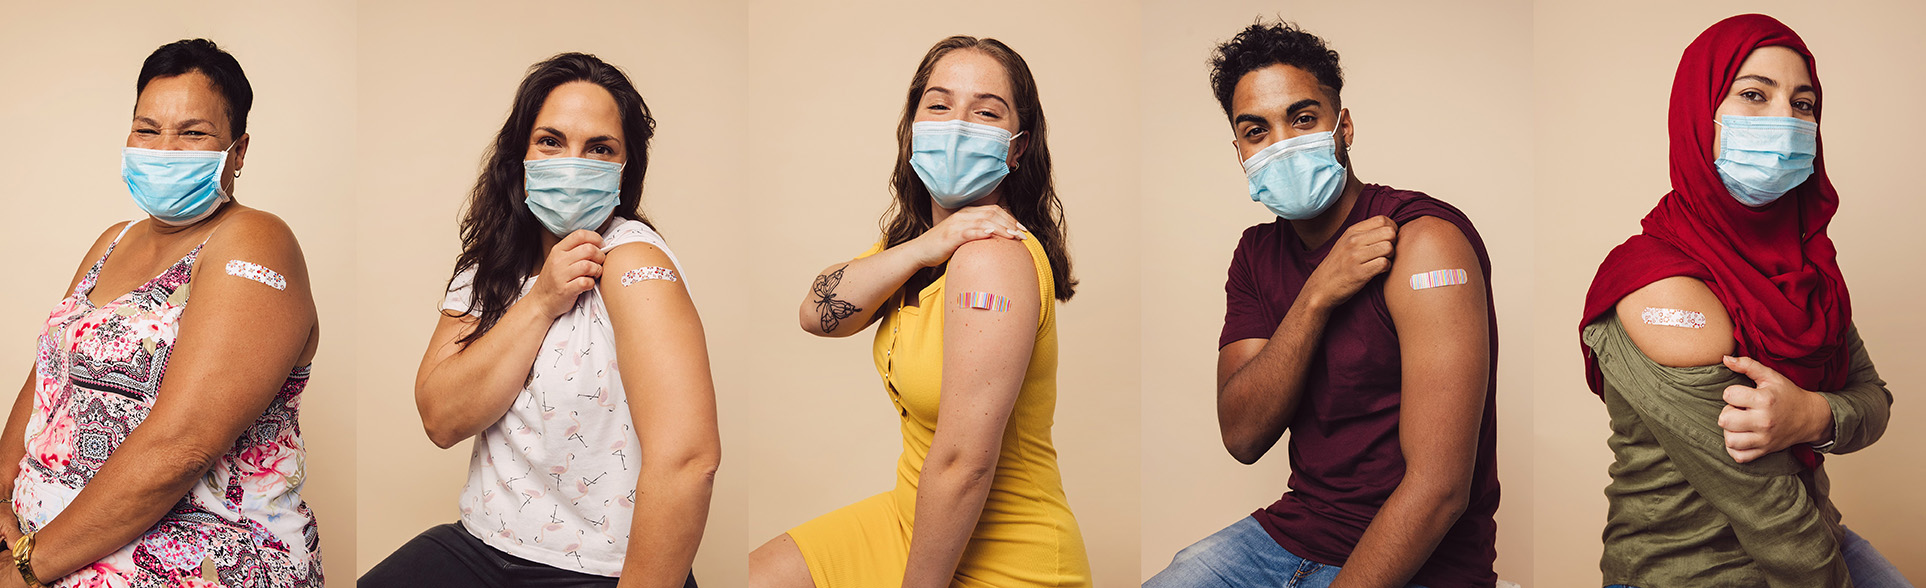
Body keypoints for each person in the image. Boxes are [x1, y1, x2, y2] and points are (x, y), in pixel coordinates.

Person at [1145, 20, 1500, 588]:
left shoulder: (1424, 240)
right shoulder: (1256, 253)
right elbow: (1242, 435)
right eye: (1256, 130)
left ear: (1345, 125)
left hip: (1422, 559)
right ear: (1239, 150)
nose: (1282, 144)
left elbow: (1440, 491)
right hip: (1294, 534)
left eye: (1303, 118)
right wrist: (1315, 297)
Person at [359, 53, 718, 588]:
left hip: (596, 571)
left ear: (625, 170)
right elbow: (441, 417)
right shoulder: (492, 263)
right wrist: (542, 299)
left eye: (599, 148)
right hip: (483, 544)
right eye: (551, 141)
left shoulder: (634, 262)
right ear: (520, 157)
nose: (572, 163)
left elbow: (689, 460)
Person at [747, 35, 1091, 588]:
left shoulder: (992, 260)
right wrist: (926, 245)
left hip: (1002, 552)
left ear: (1016, 147)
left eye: (986, 111)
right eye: (938, 104)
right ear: (911, 127)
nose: (957, 124)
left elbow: (964, 463)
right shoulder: (914, 247)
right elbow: (815, 313)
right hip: (907, 516)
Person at [1578, 14, 1904, 588]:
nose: (1786, 120)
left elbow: (1873, 401)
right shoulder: (1658, 282)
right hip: (1688, 570)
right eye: (1754, 95)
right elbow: (1767, 508)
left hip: (1818, 532)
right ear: (1697, 116)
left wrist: (1812, 414)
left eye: (1803, 105)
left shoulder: (1809, 270)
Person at [0, 38, 322, 586]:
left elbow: (185, 443)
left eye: (193, 133)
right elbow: (50, 384)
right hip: (41, 547)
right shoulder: (112, 241)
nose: (165, 149)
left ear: (238, 151)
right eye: (148, 130)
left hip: (190, 561)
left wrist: (27, 568)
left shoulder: (254, 240)